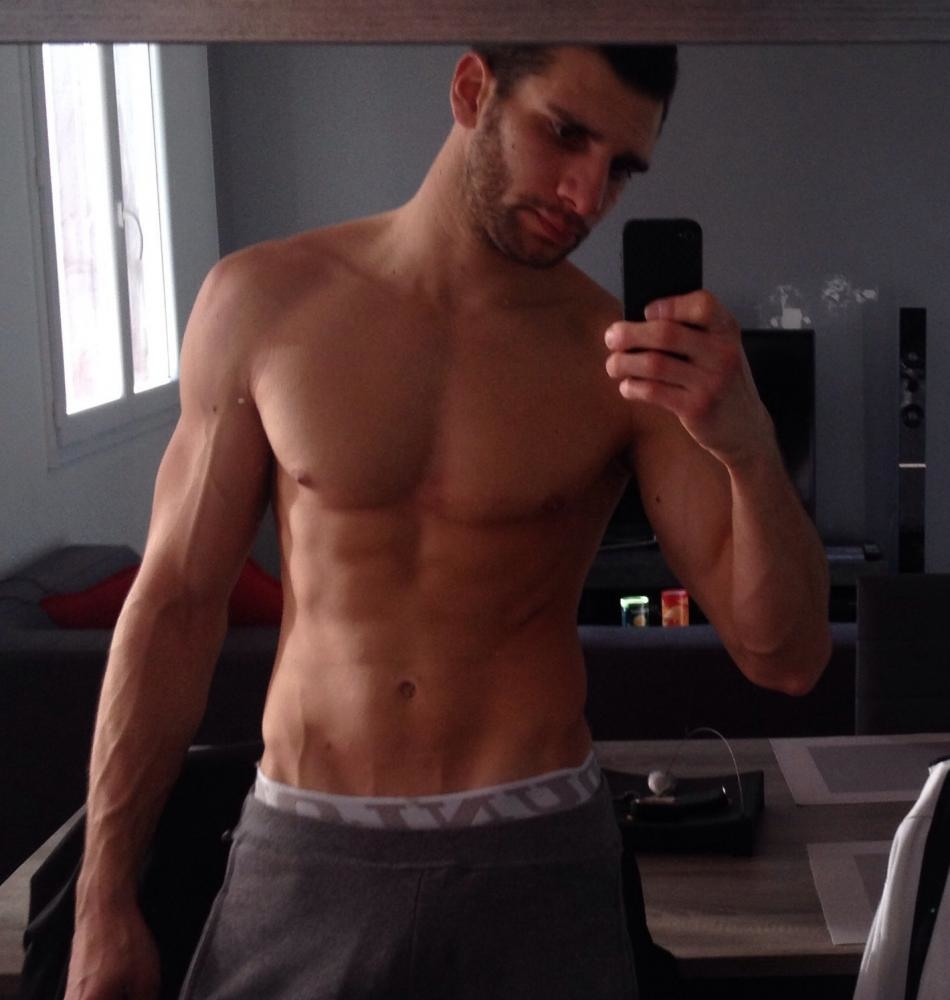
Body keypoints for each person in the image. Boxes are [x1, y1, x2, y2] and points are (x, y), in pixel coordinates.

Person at [64, 43, 831, 1000]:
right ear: (473, 90)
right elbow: (174, 605)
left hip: (536, 856)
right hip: (306, 852)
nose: (587, 194)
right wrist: (102, 897)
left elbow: (786, 656)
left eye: (621, 167)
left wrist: (748, 446)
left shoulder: (618, 361)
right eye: (565, 134)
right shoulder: (263, 303)